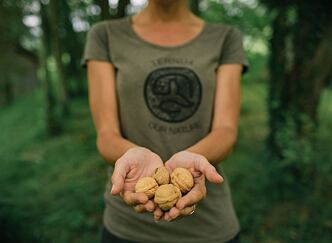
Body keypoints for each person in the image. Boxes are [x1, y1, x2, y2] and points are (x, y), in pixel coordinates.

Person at [82, 0, 248, 242]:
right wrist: (133, 153)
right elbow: (106, 134)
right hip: (127, 226)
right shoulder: (105, 35)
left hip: (209, 227)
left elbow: (226, 130)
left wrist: (189, 166)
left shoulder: (225, 38)